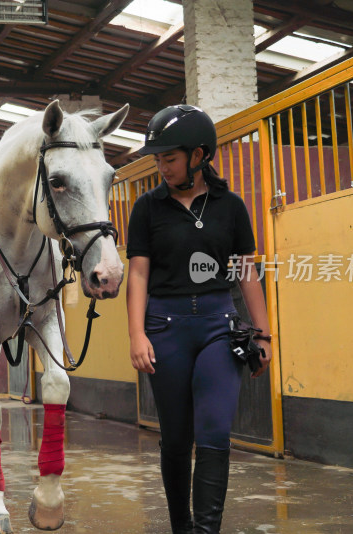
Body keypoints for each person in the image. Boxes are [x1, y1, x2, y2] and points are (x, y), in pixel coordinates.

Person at [125, 105, 273, 534]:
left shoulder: (230, 206)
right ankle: (181, 526)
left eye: (168, 158)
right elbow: (137, 273)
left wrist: (264, 335)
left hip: (216, 325)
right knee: (175, 439)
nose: (161, 167)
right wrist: (137, 333)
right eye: (157, 159)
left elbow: (247, 272)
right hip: (164, 328)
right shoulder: (147, 208)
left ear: (198, 155)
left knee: (214, 433)